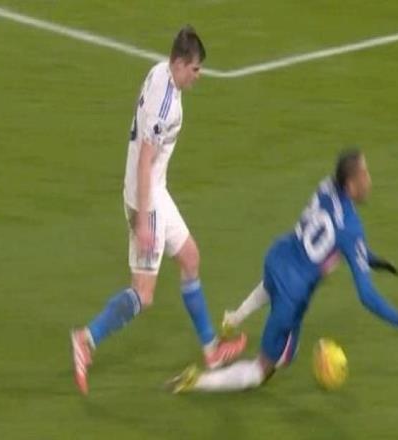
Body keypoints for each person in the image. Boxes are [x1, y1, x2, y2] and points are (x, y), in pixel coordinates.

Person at [71, 25, 246, 395]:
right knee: (143, 294)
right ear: (179, 64)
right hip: (146, 198)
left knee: (190, 257)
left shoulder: (158, 72)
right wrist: (143, 219)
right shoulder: (166, 106)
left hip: (155, 192)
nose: (199, 76)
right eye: (195, 69)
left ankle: (212, 350)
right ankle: (86, 339)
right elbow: (145, 160)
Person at [167, 149, 398, 393]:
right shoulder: (352, 229)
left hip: (278, 256)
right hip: (292, 293)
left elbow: (333, 236)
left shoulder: (327, 186)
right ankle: (197, 381)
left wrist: (371, 259)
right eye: (364, 176)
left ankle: (236, 319)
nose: (369, 181)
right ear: (351, 186)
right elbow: (367, 296)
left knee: (276, 296)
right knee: (264, 369)